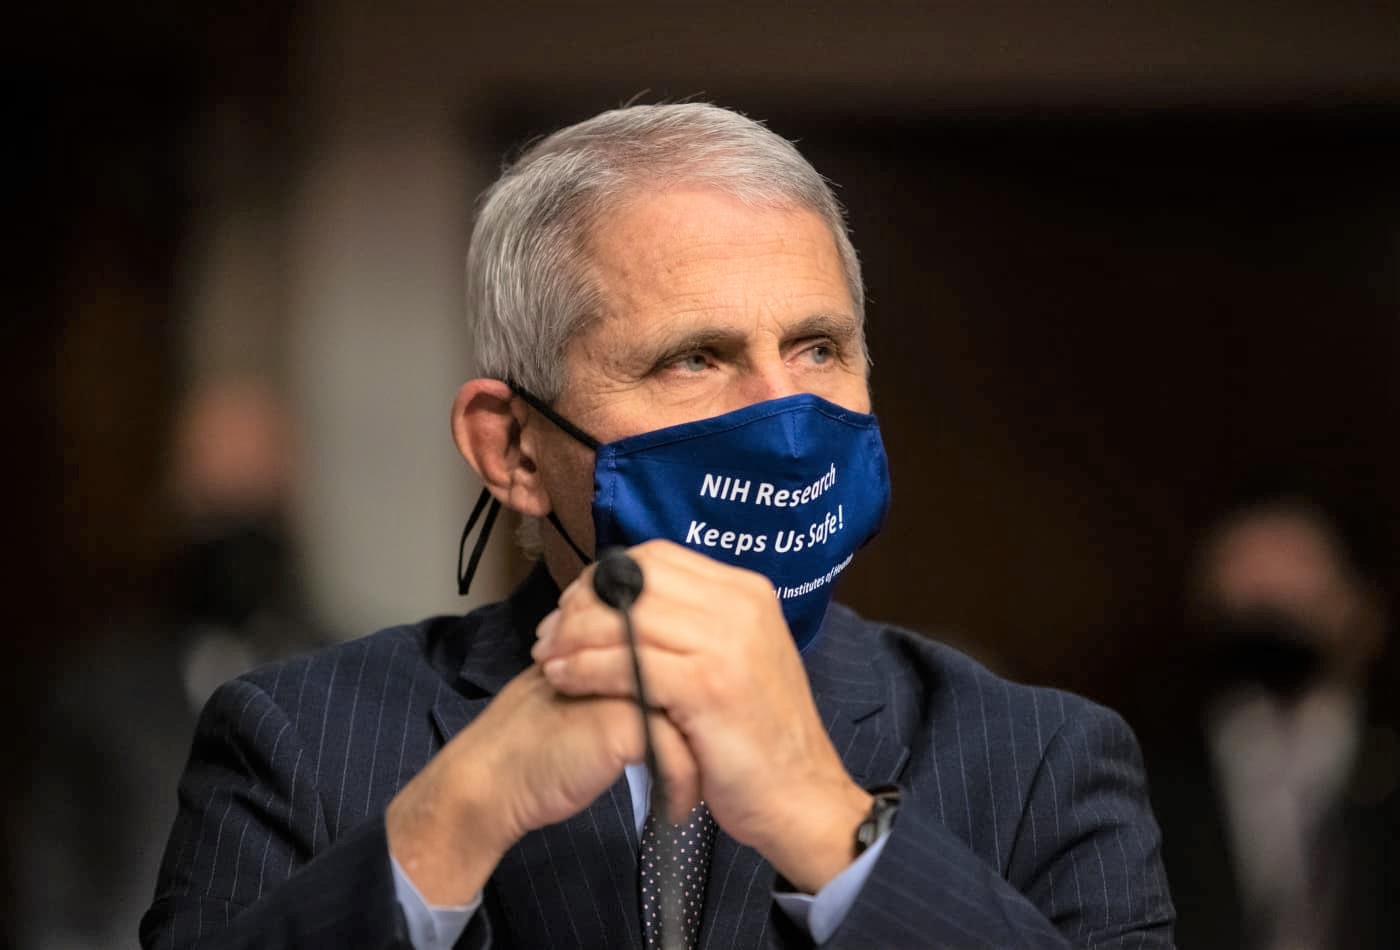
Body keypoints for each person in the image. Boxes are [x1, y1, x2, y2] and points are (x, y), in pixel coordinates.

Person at [141, 103, 1174, 949]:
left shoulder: (1041, 758)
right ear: (512, 450)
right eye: (693, 357)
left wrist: (830, 824)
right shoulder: (296, 744)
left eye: (817, 348)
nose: (782, 418)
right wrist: (450, 823)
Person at [1148, 490, 1395, 949]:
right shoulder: (1142, 783)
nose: (1269, 601)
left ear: (1363, 608)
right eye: (1246, 589)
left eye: (1297, 572)